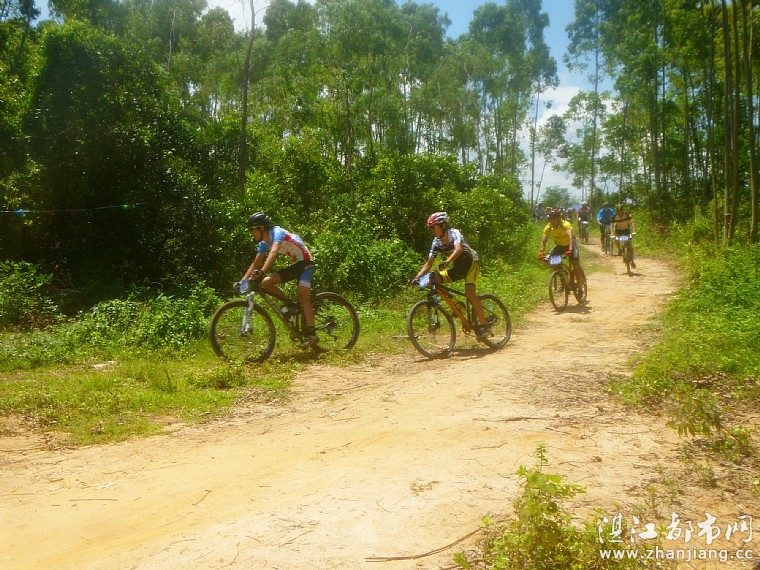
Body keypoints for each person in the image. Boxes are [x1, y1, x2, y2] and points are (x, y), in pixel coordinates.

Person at [240, 212, 318, 349]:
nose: (251, 233)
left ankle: (312, 334)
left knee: (303, 296)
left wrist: (262, 271)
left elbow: (273, 252)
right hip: (296, 263)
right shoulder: (264, 243)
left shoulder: (277, 232)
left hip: (306, 261)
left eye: (252, 229)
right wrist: (242, 281)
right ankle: (290, 306)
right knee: (266, 282)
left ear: (261, 228)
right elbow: (255, 263)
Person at [411, 212, 490, 339]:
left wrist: (447, 262)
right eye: (430, 228)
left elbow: (458, 249)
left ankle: (484, 326)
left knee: (470, 293)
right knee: (433, 279)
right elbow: (429, 264)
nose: (432, 230)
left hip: (470, 264)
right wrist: (417, 277)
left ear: (443, 225)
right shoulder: (436, 242)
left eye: (433, 227)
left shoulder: (454, 233)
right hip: (457, 268)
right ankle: (458, 305)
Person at [539, 209, 586, 293]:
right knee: (548, 260)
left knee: (575, 264)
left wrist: (570, 249)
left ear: (558, 219)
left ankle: (580, 287)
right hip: (560, 246)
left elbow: (571, 237)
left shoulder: (565, 224)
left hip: (571, 245)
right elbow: (543, 241)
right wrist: (541, 252)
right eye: (550, 219)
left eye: (553, 219)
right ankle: (563, 275)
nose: (551, 221)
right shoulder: (548, 227)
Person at [611, 203, 637, 267]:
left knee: (630, 245)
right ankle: (620, 249)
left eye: (621, 211)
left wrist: (634, 231)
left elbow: (632, 223)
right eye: (618, 211)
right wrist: (612, 233)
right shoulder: (614, 217)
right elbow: (611, 226)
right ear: (616, 211)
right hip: (618, 231)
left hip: (626, 230)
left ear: (623, 210)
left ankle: (632, 261)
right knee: (616, 240)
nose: (619, 212)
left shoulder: (627, 215)